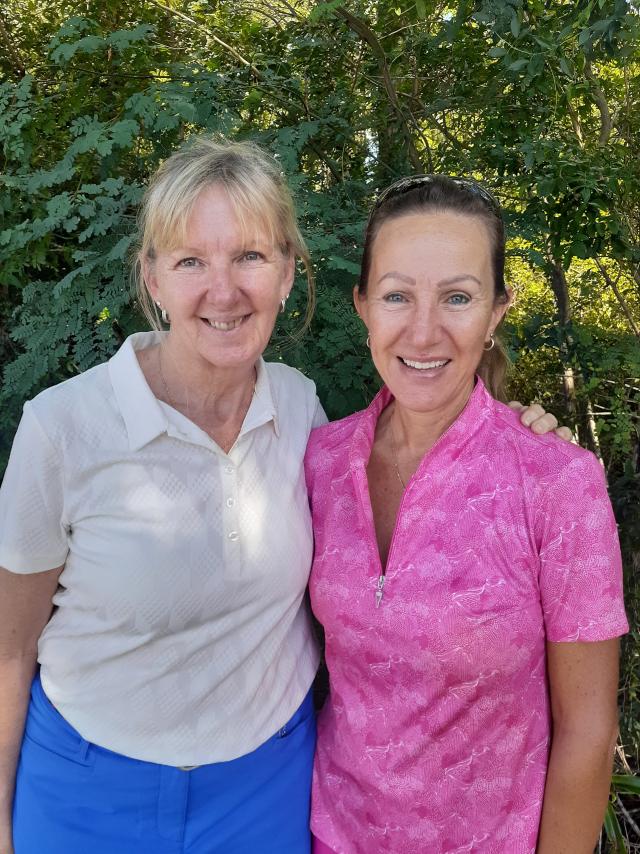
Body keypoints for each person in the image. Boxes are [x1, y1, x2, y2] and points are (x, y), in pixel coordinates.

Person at [0, 138, 566, 854]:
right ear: (152, 276)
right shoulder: (62, 428)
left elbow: (421, 453)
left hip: (265, 791)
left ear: (289, 271)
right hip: (85, 788)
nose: (223, 290)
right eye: (190, 261)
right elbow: (9, 648)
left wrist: (514, 432)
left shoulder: (301, 414)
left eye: (250, 256)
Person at [305, 175, 628, 854]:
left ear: (496, 311)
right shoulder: (319, 463)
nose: (424, 331)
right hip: (328, 835)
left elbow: (588, 731)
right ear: (363, 306)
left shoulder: (558, 483)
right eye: (397, 296)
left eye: (457, 297)